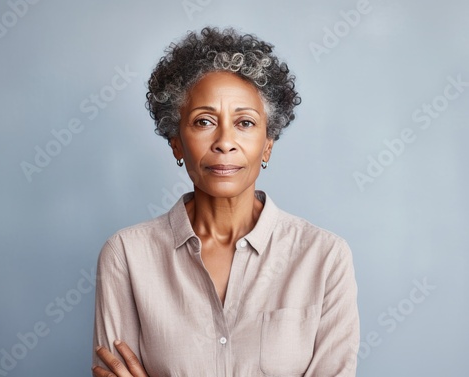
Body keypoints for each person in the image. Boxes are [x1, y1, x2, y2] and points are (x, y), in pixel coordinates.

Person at [92, 26, 359, 377]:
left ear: (267, 144)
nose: (224, 142)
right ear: (176, 142)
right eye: (203, 121)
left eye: (244, 123)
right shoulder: (127, 255)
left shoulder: (325, 258)